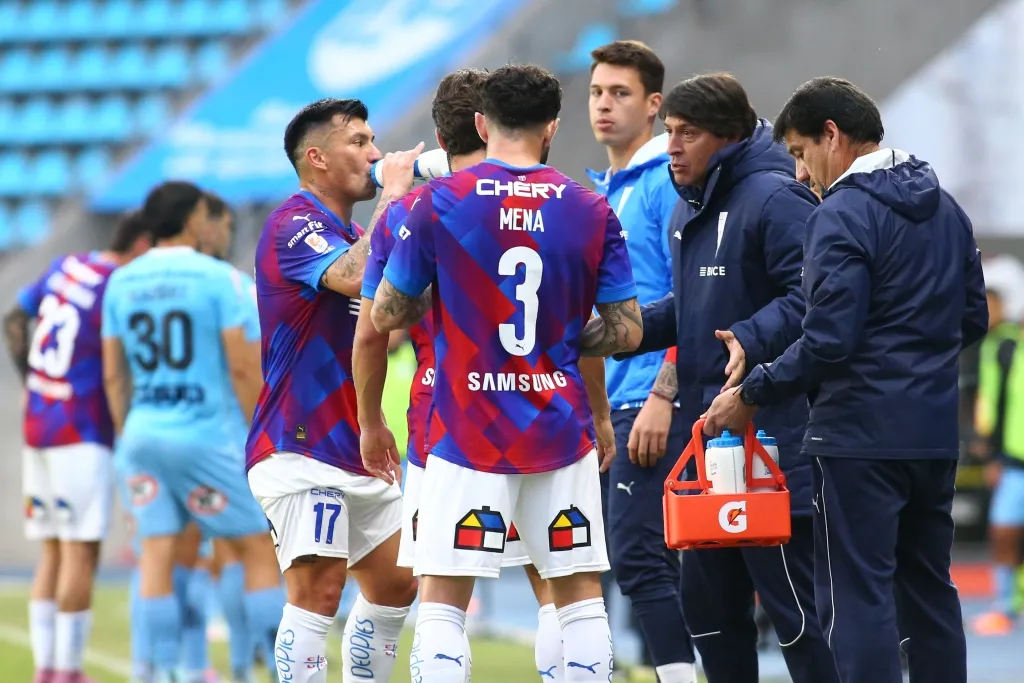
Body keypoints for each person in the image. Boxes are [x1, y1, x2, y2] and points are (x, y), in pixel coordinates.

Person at [703, 76, 987, 683]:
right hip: (933, 434)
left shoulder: (841, 213)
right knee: (930, 593)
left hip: (858, 438)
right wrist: (915, 367)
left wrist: (752, 392)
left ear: (832, 135)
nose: (802, 175)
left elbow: (829, 341)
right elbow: (973, 318)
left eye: (802, 154)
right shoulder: (948, 208)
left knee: (858, 598)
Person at [369, 63, 640, 683]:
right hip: (559, 425)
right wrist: (563, 339)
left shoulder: (438, 204)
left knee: (444, 598)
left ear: (481, 123)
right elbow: (627, 331)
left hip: (463, 427)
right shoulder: (590, 208)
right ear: (552, 127)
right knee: (577, 598)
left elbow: (385, 313)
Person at [607, 73, 837, 683]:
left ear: (729, 136)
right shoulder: (692, 203)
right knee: (708, 612)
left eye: (689, 134)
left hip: (773, 438)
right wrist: (619, 331)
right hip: (707, 442)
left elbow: (813, 297)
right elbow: (691, 312)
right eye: (671, 132)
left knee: (795, 616)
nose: (673, 146)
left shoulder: (777, 198)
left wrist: (751, 337)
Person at [352, 67, 569, 681]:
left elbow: (376, 330)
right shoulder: (563, 201)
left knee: (441, 593)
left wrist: (371, 422)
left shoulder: (422, 206)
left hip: (445, 416)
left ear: (447, 132)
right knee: (560, 587)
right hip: (541, 409)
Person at [244, 98, 423, 683]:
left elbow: (391, 318)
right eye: (361, 142)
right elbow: (350, 275)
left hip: (357, 445)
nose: (375, 154)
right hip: (300, 444)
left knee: (398, 583)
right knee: (318, 591)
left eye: (375, 143)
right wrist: (395, 198)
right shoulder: (293, 221)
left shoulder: (349, 228)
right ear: (316, 158)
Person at [102, 181, 283, 683]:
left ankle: (157, 670)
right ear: (190, 220)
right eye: (207, 214)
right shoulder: (219, 279)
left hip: (142, 433)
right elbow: (245, 368)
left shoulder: (123, 281)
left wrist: (126, 434)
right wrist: (260, 435)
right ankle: (275, 667)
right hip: (206, 434)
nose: (212, 223)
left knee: (157, 551)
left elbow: (115, 373)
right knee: (255, 546)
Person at [586, 40, 695, 682]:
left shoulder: (662, 185)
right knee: (610, 556)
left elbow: (694, 297)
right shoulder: (606, 189)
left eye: (620, 93)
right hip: (608, 405)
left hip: (651, 402)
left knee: (637, 557)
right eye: (598, 91)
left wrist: (664, 393)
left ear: (653, 105)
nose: (605, 104)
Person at [3, 211, 150, 683]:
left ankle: (47, 667)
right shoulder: (116, 285)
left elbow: (13, 318)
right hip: (81, 430)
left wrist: (33, 380)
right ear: (144, 243)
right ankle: (66, 669)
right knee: (81, 552)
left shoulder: (65, 266)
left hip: (39, 424)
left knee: (51, 549)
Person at [969, 286, 1024, 635]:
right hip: (1014, 462)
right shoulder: (1004, 346)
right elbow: (991, 400)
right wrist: (989, 449)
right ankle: (1006, 604)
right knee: (1004, 530)